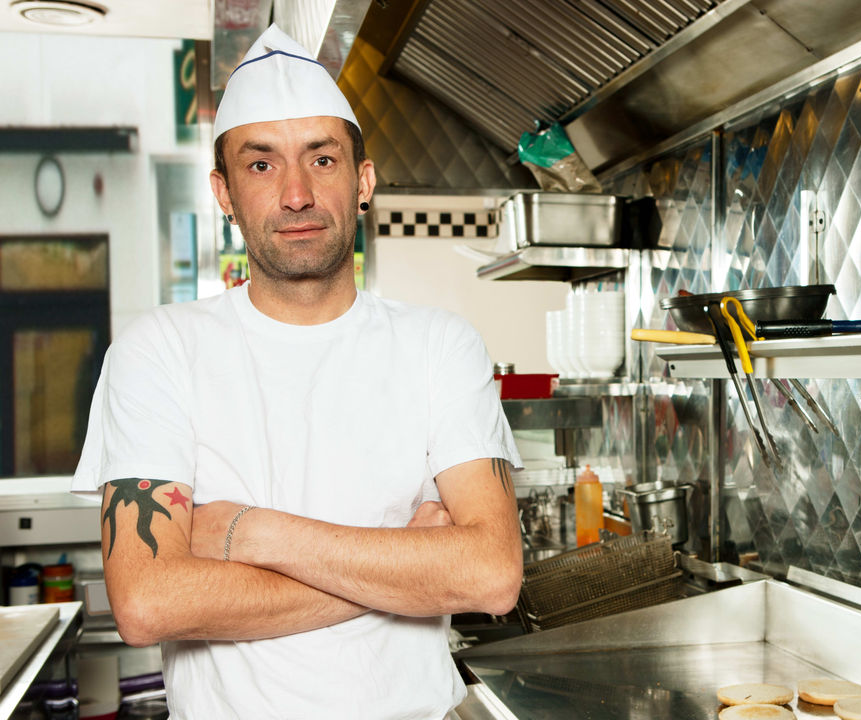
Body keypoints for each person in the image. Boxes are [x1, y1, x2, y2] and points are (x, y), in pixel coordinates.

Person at [71, 24, 523, 719]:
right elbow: (147, 603)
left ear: (363, 179)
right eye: (261, 166)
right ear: (223, 193)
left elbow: (491, 577)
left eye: (321, 160)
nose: (295, 194)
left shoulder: (440, 344)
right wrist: (410, 565)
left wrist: (252, 534)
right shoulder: (156, 351)